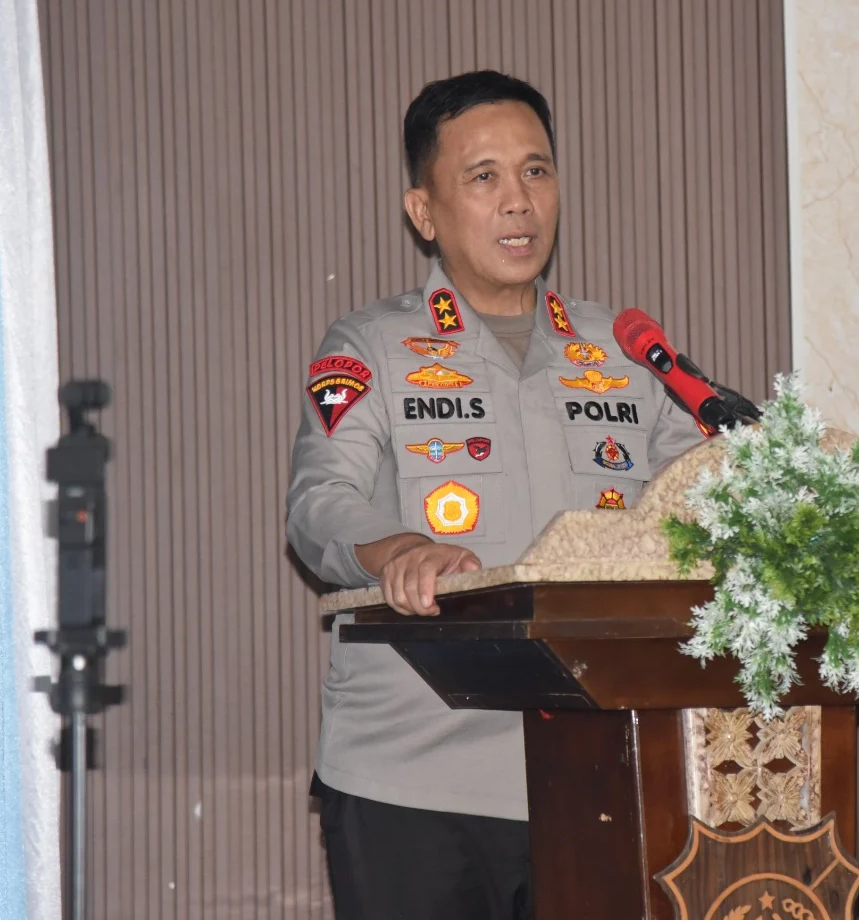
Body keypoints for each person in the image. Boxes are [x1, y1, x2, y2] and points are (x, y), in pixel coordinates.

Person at [285, 70, 707, 919]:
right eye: (484, 177)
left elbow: (703, 489)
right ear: (424, 212)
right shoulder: (370, 346)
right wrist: (398, 548)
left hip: (599, 762)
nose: (519, 200)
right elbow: (319, 501)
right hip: (414, 777)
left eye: (536, 170)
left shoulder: (625, 348)